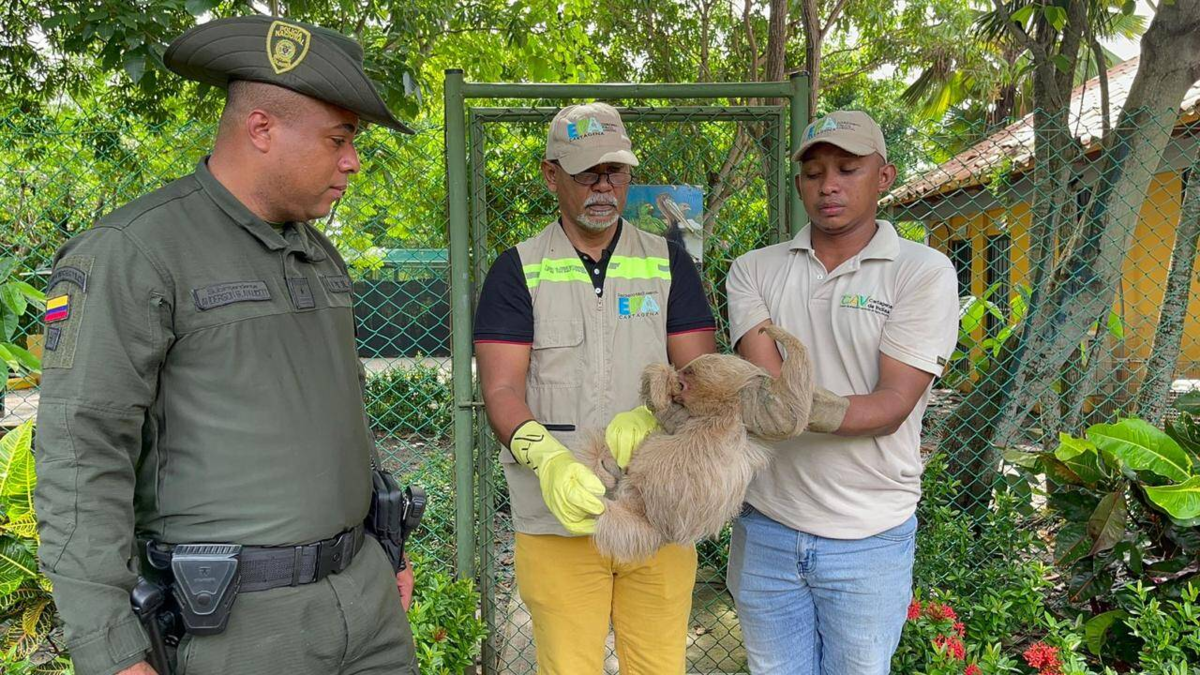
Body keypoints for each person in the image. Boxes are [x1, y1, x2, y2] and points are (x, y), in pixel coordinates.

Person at [33, 16, 419, 675]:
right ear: (261, 129)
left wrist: (388, 553)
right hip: (238, 628)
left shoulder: (318, 256)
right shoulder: (135, 253)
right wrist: (109, 649)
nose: (352, 160)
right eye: (338, 139)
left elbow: (340, 413)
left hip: (365, 602)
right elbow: (80, 452)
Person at [474, 102, 718, 674]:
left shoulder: (668, 263)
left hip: (658, 511)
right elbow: (502, 390)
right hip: (557, 520)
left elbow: (700, 378)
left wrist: (656, 412)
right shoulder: (518, 270)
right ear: (551, 174)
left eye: (615, 171)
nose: (603, 186)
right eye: (587, 172)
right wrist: (549, 461)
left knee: (659, 666)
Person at [724, 110, 960, 674]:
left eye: (848, 169)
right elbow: (769, 391)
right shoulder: (753, 270)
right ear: (799, 184)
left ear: (884, 177)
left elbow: (890, 406)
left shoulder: (921, 272)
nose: (828, 185)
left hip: (868, 535)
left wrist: (786, 403)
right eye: (813, 173)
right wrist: (785, 402)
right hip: (768, 524)